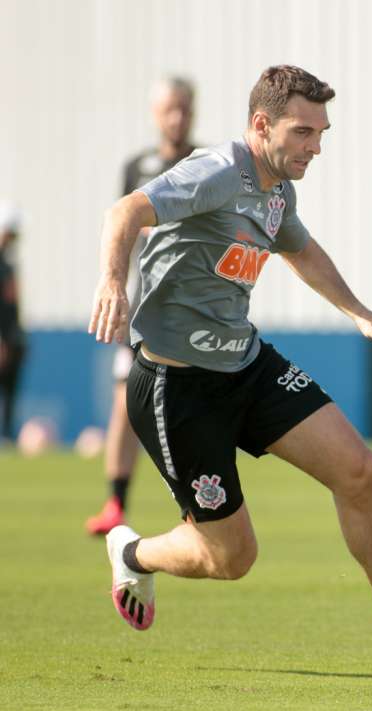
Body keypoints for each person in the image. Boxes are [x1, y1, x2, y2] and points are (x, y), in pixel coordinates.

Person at [88, 65, 372, 677]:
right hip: (176, 386)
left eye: (321, 133)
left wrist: (359, 312)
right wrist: (112, 281)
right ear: (261, 124)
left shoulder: (277, 191)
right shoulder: (218, 170)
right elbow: (124, 211)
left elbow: (301, 250)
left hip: (246, 365)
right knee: (232, 557)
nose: (315, 147)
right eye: (303, 132)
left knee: (360, 471)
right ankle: (132, 552)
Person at [86, 77, 198, 535]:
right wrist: (116, 287)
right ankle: (115, 503)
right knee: (125, 405)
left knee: (188, 410)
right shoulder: (137, 167)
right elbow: (122, 226)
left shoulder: (205, 163)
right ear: (155, 113)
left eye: (184, 108)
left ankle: (198, 507)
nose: (177, 117)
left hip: (190, 308)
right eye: (170, 108)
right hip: (143, 307)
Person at [0, 202, 25, 443]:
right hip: (4, 337)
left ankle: (7, 435)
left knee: (11, 389)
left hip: (13, 335)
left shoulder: (8, 263)